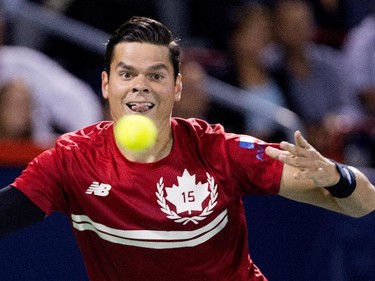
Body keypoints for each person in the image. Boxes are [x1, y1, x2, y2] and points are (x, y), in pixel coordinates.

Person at [1, 16, 374, 281]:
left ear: (177, 87)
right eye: (127, 74)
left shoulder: (218, 151)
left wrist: (337, 177)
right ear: (105, 84)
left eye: (156, 75)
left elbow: (363, 203)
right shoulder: (72, 159)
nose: (140, 86)